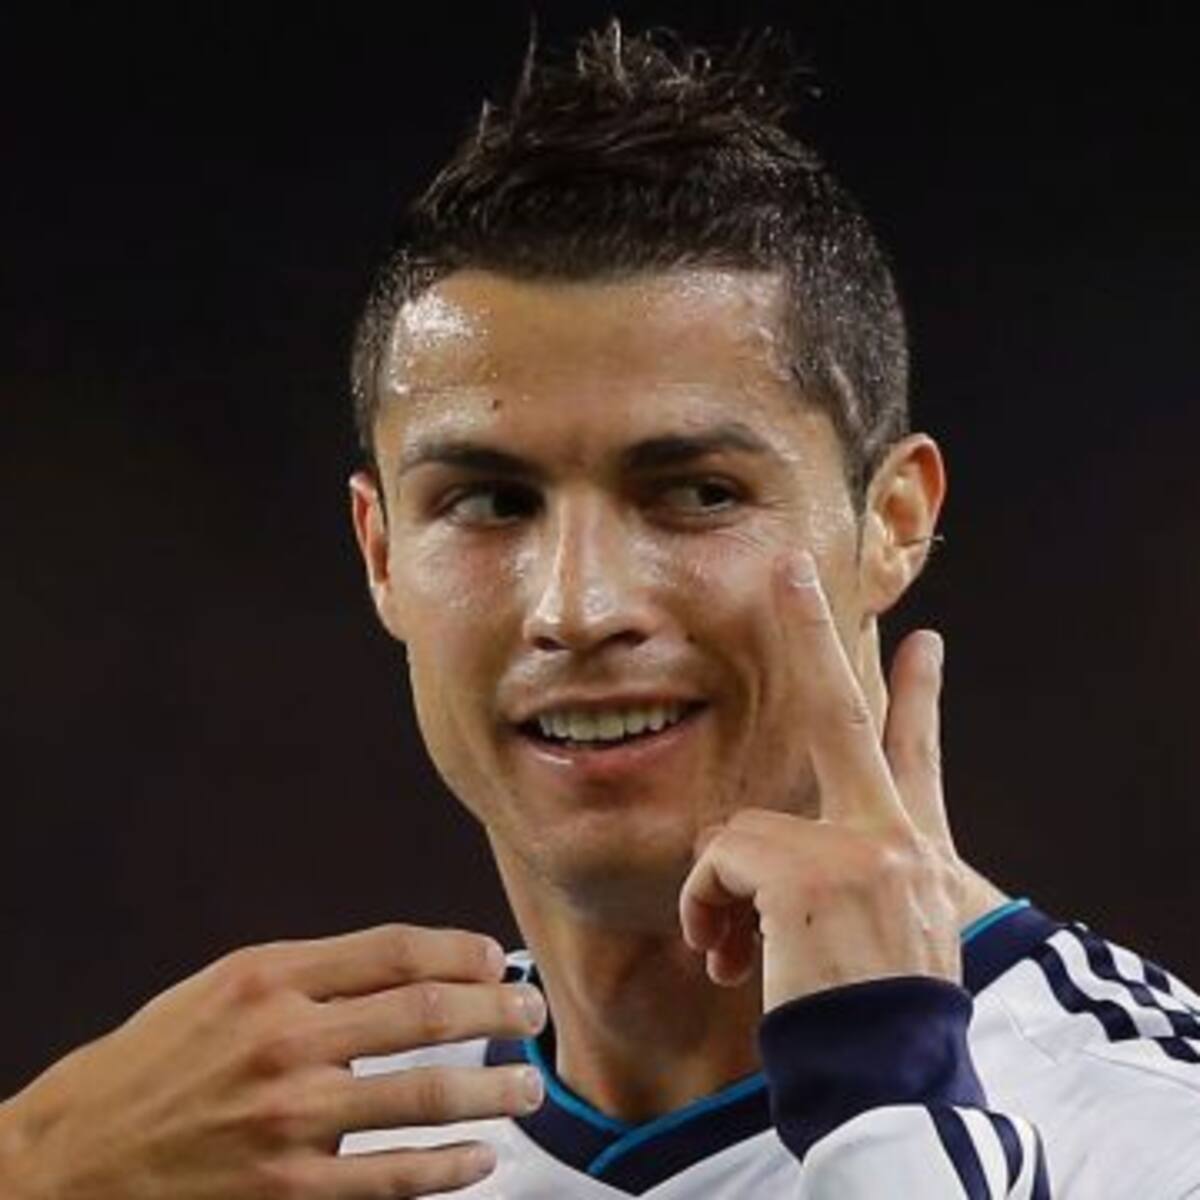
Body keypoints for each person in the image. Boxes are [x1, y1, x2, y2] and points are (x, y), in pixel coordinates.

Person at [2, 20, 1198, 1199]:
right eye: (487, 502)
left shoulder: (1147, 1131)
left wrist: (890, 1115)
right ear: (381, 552)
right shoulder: (252, 1149)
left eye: (696, 492)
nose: (577, 607)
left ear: (892, 521)